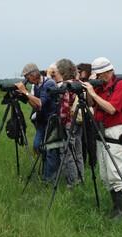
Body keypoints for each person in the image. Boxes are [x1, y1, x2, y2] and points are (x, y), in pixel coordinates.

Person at [81, 57, 122, 218]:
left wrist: (93, 94)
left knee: (116, 172)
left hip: (115, 131)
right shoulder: (100, 86)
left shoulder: (120, 85)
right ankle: (116, 208)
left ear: (107, 72)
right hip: (101, 131)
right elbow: (91, 103)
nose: (99, 78)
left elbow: (111, 109)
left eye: (99, 75)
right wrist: (89, 90)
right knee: (105, 174)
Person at [15, 63, 58, 182]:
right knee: (37, 145)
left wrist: (26, 92)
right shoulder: (37, 85)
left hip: (51, 122)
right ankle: (46, 173)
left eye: (27, 77)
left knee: (50, 150)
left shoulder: (49, 83)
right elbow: (36, 106)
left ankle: (49, 179)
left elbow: (40, 103)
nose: (26, 80)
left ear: (34, 74)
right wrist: (24, 96)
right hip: (41, 121)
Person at [55, 58, 84, 187]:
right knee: (78, 151)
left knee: (68, 152)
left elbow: (64, 108)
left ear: (62, 70)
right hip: (80, 120)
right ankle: (81, 177)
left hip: (69, 122)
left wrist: (60, 121)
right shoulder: (78, 83)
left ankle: (73, 181)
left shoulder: (65, 85)